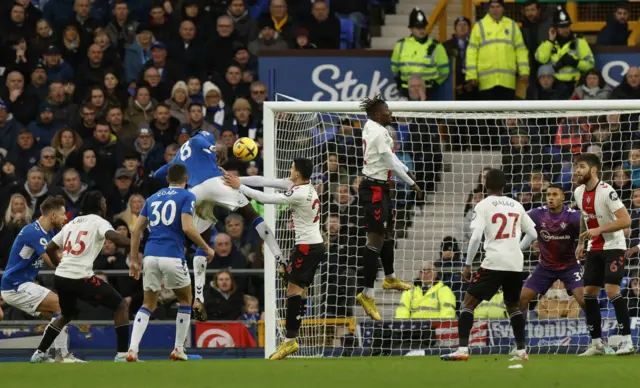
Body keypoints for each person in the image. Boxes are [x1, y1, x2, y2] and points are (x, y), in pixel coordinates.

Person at [152, 129, 282, 318]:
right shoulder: (202, 137)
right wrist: (216, 148)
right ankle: (280, 259)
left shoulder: (180, 155)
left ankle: (198, 298)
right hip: (215, 182)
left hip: (195, 191)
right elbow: (205, 143)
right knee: (252, 215)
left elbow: (158, 174)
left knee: (201, 245)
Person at [223, 158, 324, 360]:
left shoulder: (299, 193)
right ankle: (293, 336)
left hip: (307, 247)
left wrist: (239, 186)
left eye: (292, 168)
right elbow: (264, 180)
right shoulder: (299, 185)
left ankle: (290, 341)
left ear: (297, 174)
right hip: (313, 245)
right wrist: (233, 178)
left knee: (292, 291)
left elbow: (264, 198)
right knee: (297, 291)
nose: (289, 170)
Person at [441, 169, 536, 362]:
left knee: (468, 302)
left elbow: (476, 237)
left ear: (485, 184)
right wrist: (516, 247)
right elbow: (533, 234)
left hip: (494, 261)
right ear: (504, 185)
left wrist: (467, 264)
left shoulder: (483, 205)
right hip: (515, 263)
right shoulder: (516, 205)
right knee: (512, 305)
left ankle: (462, 349)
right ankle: (521, 350)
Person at [126, 164, 215, 362]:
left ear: (168, 179)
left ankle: (132, 349)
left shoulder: (153, 198)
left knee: (148, 303)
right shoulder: (187, 196)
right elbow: (187, 227)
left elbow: (135, 230)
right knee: (186, 299)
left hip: (149, 256)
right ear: (186, 179)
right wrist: (206, 247)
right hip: (172, 255)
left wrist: (133, 259)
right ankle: (178, 349)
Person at [30, 191, 132, 363]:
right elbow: (114, 237)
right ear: (100, 205)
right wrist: (135, 242)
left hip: (62, 276)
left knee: (66, 315)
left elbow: (50, 248)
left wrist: (58, 264)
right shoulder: (99, 222)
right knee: (121, 305)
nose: (106, 206)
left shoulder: (72, 223)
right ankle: (122, 354)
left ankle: (39, 353)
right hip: (80, 276)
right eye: (104, 202)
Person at [354, 95, 422, 321]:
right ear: (376, 114)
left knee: (388, 233)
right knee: (374, 239)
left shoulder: (371, 127)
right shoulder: (378, 131)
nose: (390, 112)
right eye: (386, 109)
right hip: (373, 188)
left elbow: (391, 158)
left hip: (381, 188)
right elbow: (391, 161)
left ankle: (390, 276)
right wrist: (411, 182)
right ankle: (367, 294)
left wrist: (409, 173)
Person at [0, 196, 83, 363]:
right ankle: (61, 355)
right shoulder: (34, 232)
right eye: (62, 214)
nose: (65, 218)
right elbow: (53, 262)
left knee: (58, 313)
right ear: (52, 215)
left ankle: (42, 354)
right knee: (61, 306)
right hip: (15, 285)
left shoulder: (49, 232)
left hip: (21, 284)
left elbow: (60, 256)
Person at [573, 153, 634, 356]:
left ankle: (627, 341)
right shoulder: (578, 192)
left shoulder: (607, 191)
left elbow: (626, 220)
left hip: (614, 245)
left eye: (581, 167)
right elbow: (585, 217)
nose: (577, 171)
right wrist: (581, 242)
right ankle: (597, 344)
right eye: (576, 167)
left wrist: (600, 230)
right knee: (588, 293)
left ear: (593, 170)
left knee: (611, 290)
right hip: (594, 248)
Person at [519, 184, 585, 321]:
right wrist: (530, 240)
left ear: (563, 197)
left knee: (585, 301)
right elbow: (517, 223)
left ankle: (599, 340)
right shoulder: (537, 214)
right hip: (545, 267)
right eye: (548, 195)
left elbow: (590, 231)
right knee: (522, 299)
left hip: (570, 266)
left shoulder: (573, 217)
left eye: (555, 195)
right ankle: (519, 341)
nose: (550, 198)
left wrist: (583, 246)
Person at [535, 6, 594, 100]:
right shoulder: (548, 43)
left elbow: (590, 65)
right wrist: (550, 41)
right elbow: (541, 59)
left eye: (567, 26)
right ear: (554, 27)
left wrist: (576, 62)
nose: (565, 29)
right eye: (561, 27)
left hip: (574, 86)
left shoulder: (579, 41)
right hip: (553, 88)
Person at [390, 8, 449, 97]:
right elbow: (394, 68)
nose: (421, 30)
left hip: (429, 91)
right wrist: (400, 82)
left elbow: (444, 71)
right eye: (418, 28)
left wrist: (435, 85)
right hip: (406, 90)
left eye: (423, 27)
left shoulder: (436, 46)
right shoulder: (401, 45)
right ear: (411, 28)